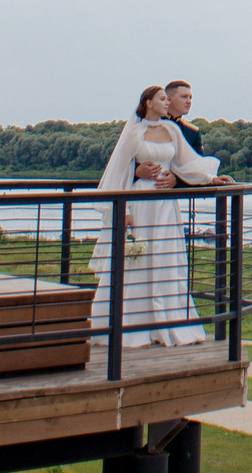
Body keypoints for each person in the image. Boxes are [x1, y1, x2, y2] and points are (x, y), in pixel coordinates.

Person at [89, 84, 221, 349]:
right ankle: (131, 326)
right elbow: (118, 171)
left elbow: (187, 161)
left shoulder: (172, 130)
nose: (167, 102)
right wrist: (125, 208)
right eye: (163, 98)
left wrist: (211, 178)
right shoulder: (135, 133)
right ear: (149, 103)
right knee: (137, 260)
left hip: (165, 206)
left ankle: (169, 322)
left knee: (167, 257)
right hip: (141, 203)